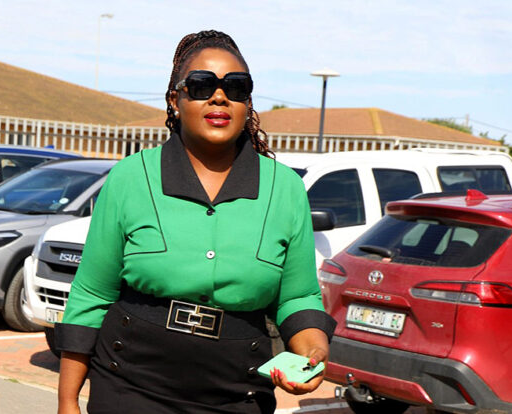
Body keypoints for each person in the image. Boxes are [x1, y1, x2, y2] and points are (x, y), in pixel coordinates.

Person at [55, 29, 336, 414]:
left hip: (237, 390)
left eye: (236, 87)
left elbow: (297, 297)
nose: (219, 97)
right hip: (130, 383)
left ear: (247, 102)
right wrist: (67, 401)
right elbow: (92, 294)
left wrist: (312, 352)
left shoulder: (285, 188)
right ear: (175, 99)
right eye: (202, 85)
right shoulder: (131, 178)